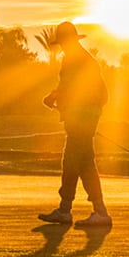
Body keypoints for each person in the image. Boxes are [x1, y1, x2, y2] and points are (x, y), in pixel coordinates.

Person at [40, 21, 110, 228]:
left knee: (82, 162)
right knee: (73, 162)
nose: (62, 46)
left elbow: (76, 89)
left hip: (83, 118)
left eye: (64, 42)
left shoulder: (79, 60)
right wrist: (56, 96)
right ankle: (66, 210)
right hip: (78, 118)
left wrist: (56, 97)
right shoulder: (74, 59)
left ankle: (99, 212)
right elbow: (67, 87)